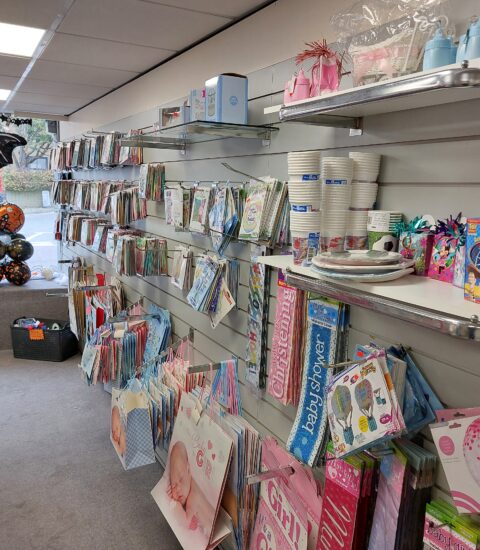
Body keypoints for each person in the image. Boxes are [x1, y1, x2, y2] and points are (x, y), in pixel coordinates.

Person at [167, 441, 215, 534]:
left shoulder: (192, 499)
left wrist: (174, 504)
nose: (177, 489)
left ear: (188, 470)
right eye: (173, 485)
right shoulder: (191, 485)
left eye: (181, 480)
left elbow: (187, 523)